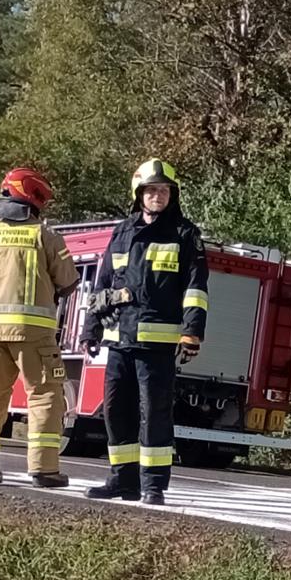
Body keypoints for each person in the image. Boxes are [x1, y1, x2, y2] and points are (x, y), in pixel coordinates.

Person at [82, 159, 209, 506]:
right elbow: (102, 284)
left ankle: (152, 485)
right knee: (115, 411)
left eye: (164, 190)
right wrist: (90, 329)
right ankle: (122, 480)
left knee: (153, 413)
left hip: (157, 346)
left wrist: (192, 331)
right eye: (151, 190)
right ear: (139, 195)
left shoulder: (185, 235)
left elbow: (196, 289)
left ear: (173, 195)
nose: (157, 196)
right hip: (119, 341)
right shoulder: (122, 231)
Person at [0, 169, 79, 487]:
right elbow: (69, 281)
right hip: (33, 333)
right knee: (44, 395)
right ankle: (44, 470)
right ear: (35, 198)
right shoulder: (44, 234)